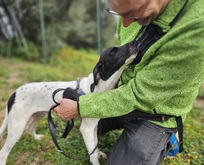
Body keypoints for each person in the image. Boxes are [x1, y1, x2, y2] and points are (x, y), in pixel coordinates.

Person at [54, 0, 204, 164]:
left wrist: (81, 106)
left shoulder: (198, 27)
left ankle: (167, 135)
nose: (125, 24)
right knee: (88, 125)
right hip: (123, 94)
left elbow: (140, 94)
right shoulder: (128, 9)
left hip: (156, 114)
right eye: (119, 13)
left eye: (132, 13)